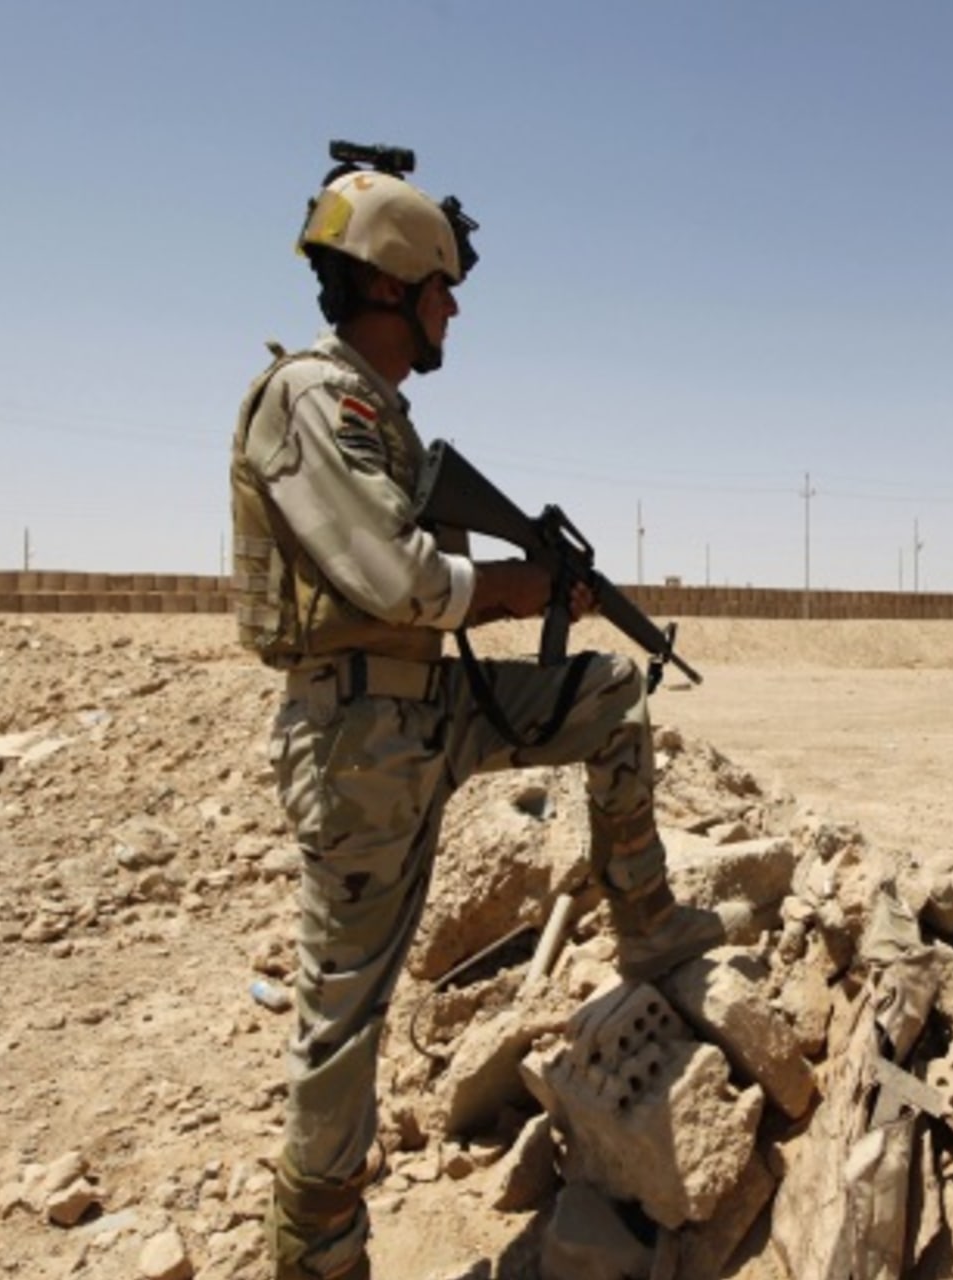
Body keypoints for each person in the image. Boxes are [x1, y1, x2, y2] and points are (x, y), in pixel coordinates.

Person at [230, 148, 746, 1280]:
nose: (453, 307)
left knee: (612, 692)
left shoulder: (379, 412)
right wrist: (519, 583)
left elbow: (431, 591)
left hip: (432, 707)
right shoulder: (314, 398)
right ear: (396, 285)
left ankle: (647, 919)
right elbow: (401, 579)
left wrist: (539, 584)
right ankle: (317, 1250)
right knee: (343, 1017)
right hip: (360, 736)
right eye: (442, 287)